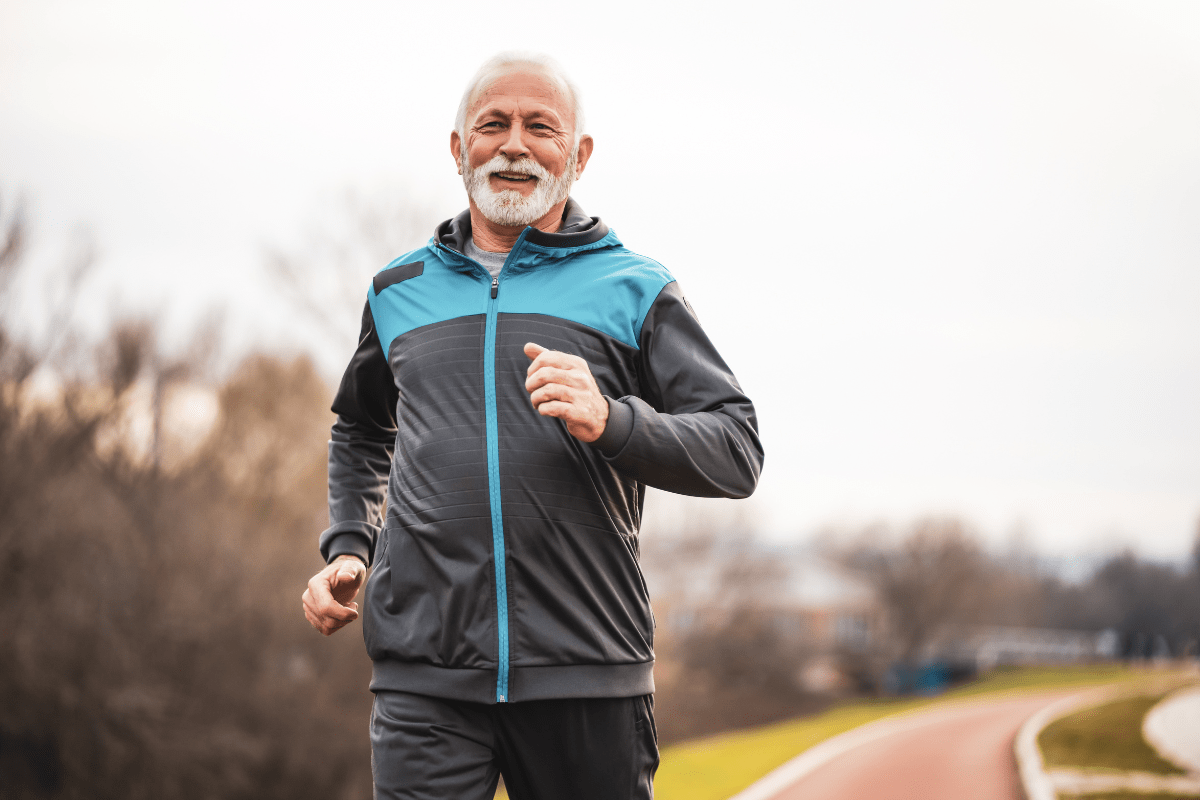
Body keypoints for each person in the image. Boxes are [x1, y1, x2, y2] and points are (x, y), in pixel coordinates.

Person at [301, 51, 764, 800]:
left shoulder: (636, 288)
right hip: (425, 677)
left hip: (587, 672)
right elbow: (359, 430)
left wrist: (612, 421)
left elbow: (736, 449)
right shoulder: (396, 291)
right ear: (459, 151)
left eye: (540, 127)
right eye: (493, 124)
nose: (514, 143)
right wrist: (350, 544)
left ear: (577, 156)